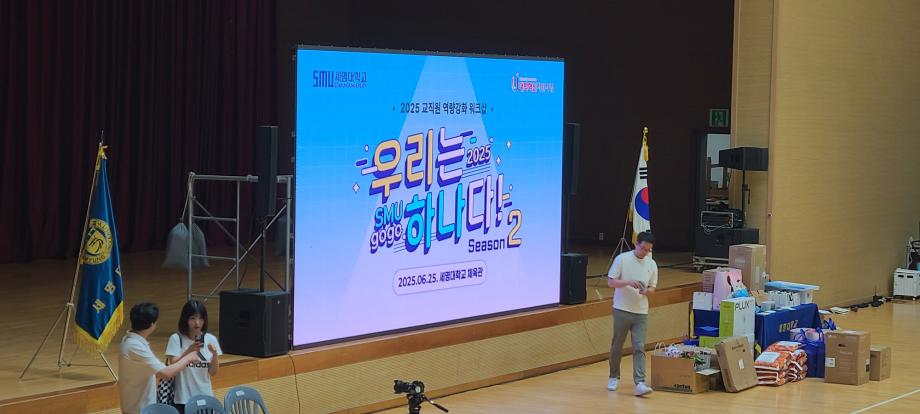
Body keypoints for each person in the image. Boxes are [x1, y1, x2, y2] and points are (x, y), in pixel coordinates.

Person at [119, 302, 201, 414]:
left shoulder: (131, 340)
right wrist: (189, 358)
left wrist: (187, 353)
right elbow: (166, 373)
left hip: (142, 407)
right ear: (152, 325)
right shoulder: (135, 346)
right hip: (137, 410)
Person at [606, 231, 658, 396]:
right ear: (636, 244)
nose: (645, 253)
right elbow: (611, 282)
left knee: (639, 346)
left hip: (641, 312)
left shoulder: (652, 264)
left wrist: (646, 291)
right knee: (617, 345)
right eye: (643, 249)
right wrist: (628, 282)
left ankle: (640, 382)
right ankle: (613, 376)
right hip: (622, 309)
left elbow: (653, 288)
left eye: (648, 250)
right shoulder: (622, 259)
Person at [165, 300, 222, 413]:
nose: (197, 322)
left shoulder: (210, 339)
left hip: (205, 399)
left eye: (200, 318)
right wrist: (189, 351)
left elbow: (213, 372)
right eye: (192, 318)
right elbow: (173, 367)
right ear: (185, 319)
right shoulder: (176, 339)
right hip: (183, 399)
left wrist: (215, 355)